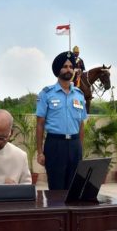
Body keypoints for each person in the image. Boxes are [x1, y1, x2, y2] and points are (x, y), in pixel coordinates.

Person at [36, 51, 87, 190]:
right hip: (55, 145)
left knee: (73, 188)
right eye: (65, 66)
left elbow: (81, 124)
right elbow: (40, 124)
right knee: (56, 187)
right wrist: (40, 152)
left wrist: (80, 149)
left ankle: (71, 212)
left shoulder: (79, 95)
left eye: (71, 67)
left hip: (75, 145)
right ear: (58, 69)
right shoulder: (46, 93)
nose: (68, 69)